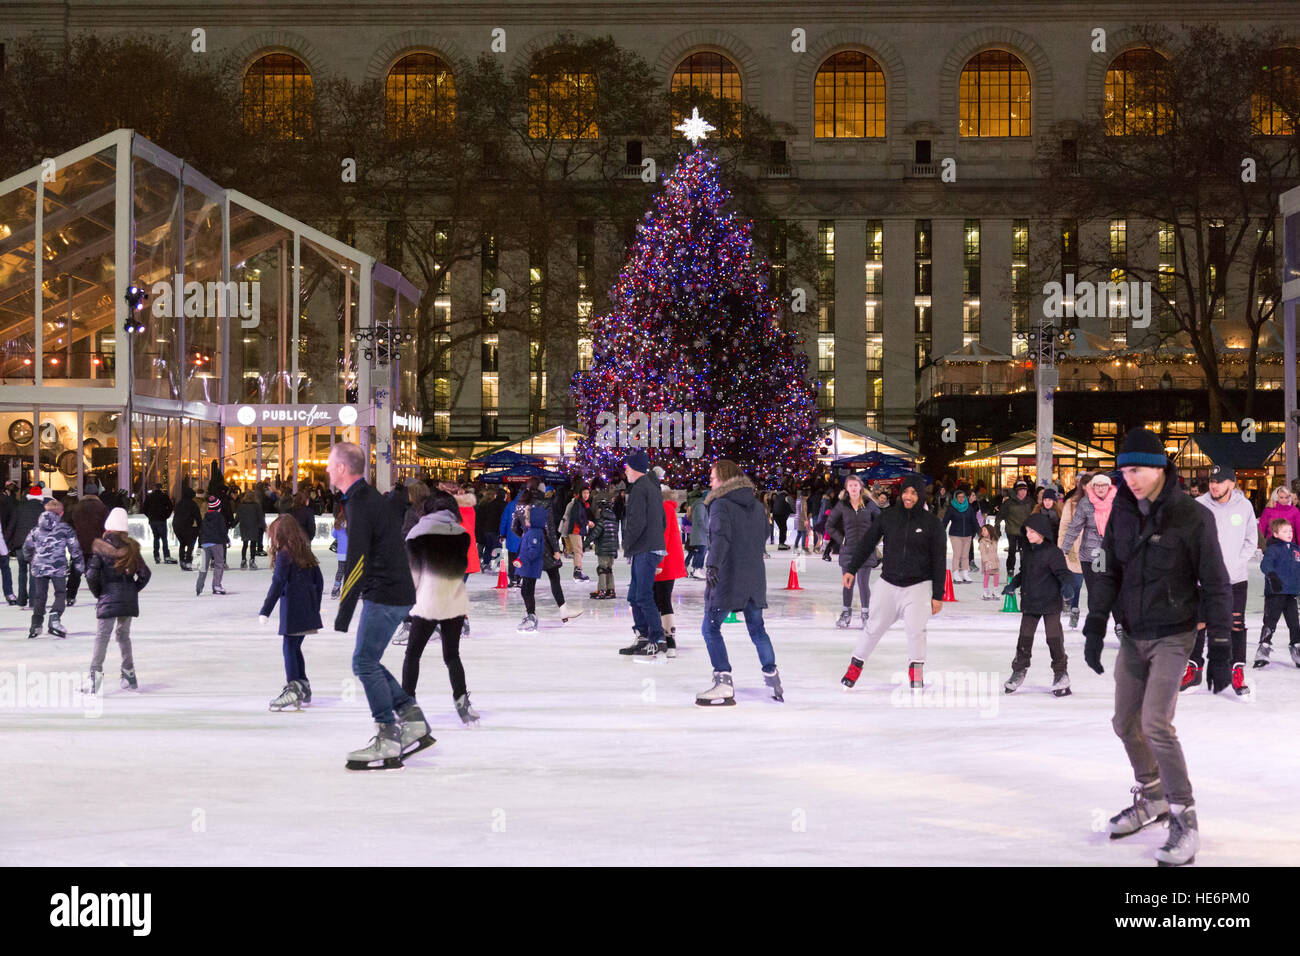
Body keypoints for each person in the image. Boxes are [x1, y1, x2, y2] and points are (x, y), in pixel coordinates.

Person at [1083, 427, 1232, 866]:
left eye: (1139, 469)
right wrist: (1094, 626)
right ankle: (1152, 797)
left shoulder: (1191, 516)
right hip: (1131, 632)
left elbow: (1217, 583)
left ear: (1161, 468)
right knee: (1124, 723)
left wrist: (1221, 645)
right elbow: (1108, 571)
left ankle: (1185, 818)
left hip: (1174, 632)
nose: (1130, 478)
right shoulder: (1122, 513)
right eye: (1125, 469)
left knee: (1155, 723)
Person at [328, 441, 428, 771]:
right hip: (391, 591)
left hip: (386, 593)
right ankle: (411, 720)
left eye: (331, 464)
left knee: (364, 661)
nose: (327, 469)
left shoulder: (361, 502)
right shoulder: (364, 498)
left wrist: (343, 611)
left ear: (343, 468)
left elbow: (357, 558)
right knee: (366, 660)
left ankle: (389, 734)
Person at [839, 473, 946, 691]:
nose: (909, 497)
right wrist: (852, 568)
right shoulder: (888, 516)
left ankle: (916, 674)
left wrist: (938, 595)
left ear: (921, 496)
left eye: (914, 493)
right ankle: (854, 668)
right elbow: (868, 542)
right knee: (873, 627)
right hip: (888, 584)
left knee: (916, 631)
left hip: (918, 586)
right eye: (906, 492)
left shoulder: (932, 524)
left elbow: (939, 561)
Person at [696, 459, 782, 705]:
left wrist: (712, 564)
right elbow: (765, 534)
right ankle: (772, 678)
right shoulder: (756, 506)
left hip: (729, 577)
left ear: (723, 477)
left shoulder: (720, 504)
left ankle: (723, 682)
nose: (710, 481)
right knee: (757, 629)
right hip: (755, 577)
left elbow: (721, 537)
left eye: (712, 477)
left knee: (710, 628)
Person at [403, 492, 479, 725]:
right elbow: (462, 567)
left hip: (428, 600)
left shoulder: (416, 535)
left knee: (413, 654)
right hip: (454, 600)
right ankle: (462, 702)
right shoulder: (462, 534)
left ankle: (408, 705)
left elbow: (413, 573)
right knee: (452, 655)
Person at [1183, 463, 1257, 696]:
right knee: (1199, 623)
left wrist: (1235, 563)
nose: (1214, 486)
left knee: (1235, 624)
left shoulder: (1244, 506)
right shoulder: (1198, 505)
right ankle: (1194, 669)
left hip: (1234, 579)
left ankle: (1236, 671)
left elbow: (1250, 541)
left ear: (1231, 484)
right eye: (1212, 482)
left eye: (1220, 482)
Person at [1002, 513, 1075, 695]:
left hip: (1050, 602)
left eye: (1032, 531)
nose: (1028, 535)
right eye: (1027, 531)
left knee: (1054, 638)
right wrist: (1013, 584)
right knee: (1024, 638)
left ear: (1042, 532)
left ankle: (1061, 673)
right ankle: (1018, 671)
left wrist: (1067, 586)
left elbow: (1064, 574)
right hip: (1030, 601)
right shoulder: (1027, 551)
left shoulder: (1053, 553)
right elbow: (1023, 573)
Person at [259, 514, 324, 712]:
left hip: (294, 609)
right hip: (307, 610)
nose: (272, 539)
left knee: (289, 646)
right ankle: (302, 684)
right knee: (294, 646)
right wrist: (315, 606)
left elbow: (278, 583)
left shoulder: (285, 554)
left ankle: (293, 687)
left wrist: (265, 611)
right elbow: (319, 582)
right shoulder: (305, 552)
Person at [84, 507, 150, 693]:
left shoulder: (101, 548)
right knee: (123, 636)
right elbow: (145, 574)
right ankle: (129, 675)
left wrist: (100, 593)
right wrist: (132, 590)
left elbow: (91, 575)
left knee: (102, 637)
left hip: (108, 596)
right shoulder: (132, 548)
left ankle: (94, 678)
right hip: (127, 599)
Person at [617, 451, 668, 657]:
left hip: (645, 549)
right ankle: (644, 636)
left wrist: (626, 544)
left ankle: (657, 638)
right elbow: (662, 520)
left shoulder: (640, 488)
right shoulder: (651, 488)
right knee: (635, 596)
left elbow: (636, 522)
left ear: (635, 468)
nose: (625, 470)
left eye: (627, 467)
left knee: (643, 596)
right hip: (647, 548)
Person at [1062, 472, 1121, 636]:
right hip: (1091, 554)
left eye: (1104, 485)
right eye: (1098, 485)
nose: (1101, 488)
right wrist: (1064, 549)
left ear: (1108, 487)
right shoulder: (1086, 503)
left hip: (1111, 554)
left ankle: (1120, 624)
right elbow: (1074, 527)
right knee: (1096, 592)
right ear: (1093, 487)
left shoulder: (1117, 503)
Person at [23, 497, 85, 639]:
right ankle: (55, 617)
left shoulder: (36, 530)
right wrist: (79, 564)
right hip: (58, 567)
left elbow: (27, 547)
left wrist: (31, 560)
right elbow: (75, 548)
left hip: (39, 567)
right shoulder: (65, 529)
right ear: (61, 513)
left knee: (40, 596)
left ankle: (36, 624)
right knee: (60, 593)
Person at [826, 473, 881, 628]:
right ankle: (846, 614)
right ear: (847, 488)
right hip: (848, 551)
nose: (853, 488)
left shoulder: (869, 504)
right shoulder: (842, 505)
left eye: (856, 485)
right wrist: (842, 539)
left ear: (861, 487)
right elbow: (829, 525)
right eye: (850, 486)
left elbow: (880, 524)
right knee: (848, 584)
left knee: (863, 583)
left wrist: (873, 541)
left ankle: (865, 615)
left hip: (865, 551)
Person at [1256, 517, 1300, 668]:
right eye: (1284, 531)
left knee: (1294, 623)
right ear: (1275, 534)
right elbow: (1265, 565)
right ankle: (1263, 649)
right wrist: (1272, 576)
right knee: (1270, 622)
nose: (1289, 533)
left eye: (1290, 530)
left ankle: (1297, 648)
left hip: (1291, 593)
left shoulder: (1296, 550)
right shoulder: (1273, 549)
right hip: (1276, 593)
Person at [653, 482, 687, 657]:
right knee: (661, 599)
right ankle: (665, 637)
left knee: (661, 600)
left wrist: (658, 562)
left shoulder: (664, 508)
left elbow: (663, 535)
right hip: (666, 560)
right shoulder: (667, 507)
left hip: (663, 562)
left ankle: (668, 639)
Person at [1056, 473, 1089, 628]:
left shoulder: (1102, 503)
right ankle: (1074, 608)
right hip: (1076, 546)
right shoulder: (1071, 503)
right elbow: (1064, 526)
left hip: (1097, 550)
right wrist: (1062, 548)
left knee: (1098, 584)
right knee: (1076, 581)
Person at [64, 488, 107, 607]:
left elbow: (69, 522)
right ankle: (101, 595)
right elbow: (106, 525)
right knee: (98, 572)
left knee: (75, 571)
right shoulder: (101, 507)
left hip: (79, 544)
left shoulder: (77, 507)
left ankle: (70, 596)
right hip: (97, 544)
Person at [9, 486, 46, 606]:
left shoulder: (19, 508)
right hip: (36, 544)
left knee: (22, 571)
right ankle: (33, 600)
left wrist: (6, 541)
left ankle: (21, 599)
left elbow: (12, 526)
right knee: (34, 572)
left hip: (20, 544)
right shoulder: (42, 510)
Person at [941, 485, 980, 583]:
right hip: (955, 534)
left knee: (965, 555)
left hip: (967, 534)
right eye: (959, 497)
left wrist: (980, 532)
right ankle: (956, 574)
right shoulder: (952, 508)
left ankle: (965, 573)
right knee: (957, 554)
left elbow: (974, 521)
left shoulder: (969, 508)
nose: (961, 499)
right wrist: (940, 532)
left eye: (963, 497)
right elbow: (945, 521)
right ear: (955, 498)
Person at [997, 480, 1033, 579]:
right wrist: (997, 528)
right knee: (1012, 551)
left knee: (1024, 551)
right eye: (1021, 490)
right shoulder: (1009, 502)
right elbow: (1000, 515)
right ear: (1017, 491)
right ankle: (1010, 570)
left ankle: (1023, 570)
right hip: (1012, 530)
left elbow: (1035, 515)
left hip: (1024, 531)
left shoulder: (1030, 501)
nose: (1023, 492)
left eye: (1025, 490)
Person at [195, 495, 230, 596]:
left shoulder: (205, 517)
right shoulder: (219, 517)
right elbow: (222, 530)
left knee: (204, 566)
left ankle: (199, 586)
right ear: (218, 508)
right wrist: (227, 540)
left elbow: (201, 531)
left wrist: (201, 543)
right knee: (219, 564)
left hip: (205, 543)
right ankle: (216, 585)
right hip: (216, 543)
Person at [589, 496, 620, 599]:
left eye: (599, 508)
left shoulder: (602, 521)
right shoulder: (614, 521)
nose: (597, 510)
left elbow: (595, 534)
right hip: (612, 550)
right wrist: (615, 550)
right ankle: (611, 590)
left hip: (603, 550)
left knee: (602, 569)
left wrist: (585, 544)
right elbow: (615, 537)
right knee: (609, 569)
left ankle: (602, 590)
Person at [141, 483, 175, 565]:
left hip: (153, 520)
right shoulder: (164, 496)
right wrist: (166, 516)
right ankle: (166, 556)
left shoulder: (149, 496)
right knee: (164, 538)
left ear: (154, 488)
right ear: (161, 488)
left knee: (156, 538)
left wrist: (149, 516)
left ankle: (156, 556)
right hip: (161, 519)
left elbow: (144, 508)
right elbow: (170, 507)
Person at [172, 485, 201, 571]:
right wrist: (200, 527)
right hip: (187, 526)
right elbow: (198, 517)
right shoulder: (192, 504)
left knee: (182, 543)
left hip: (177, 526)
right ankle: (188, 561)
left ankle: (182, 561)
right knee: (190, 544)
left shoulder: (179, 503)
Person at [475, 488, 505, 572]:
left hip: (485, 530)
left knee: (488, 547)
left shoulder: (483, 504)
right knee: (497, 547)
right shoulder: (499, 505)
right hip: (494, 529)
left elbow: (481, 519)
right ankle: (498, 564)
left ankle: (486, 563)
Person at [237, 488, 266, 571]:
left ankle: (243, 560)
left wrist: (232, 524)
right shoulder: (256, 506)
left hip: (244, 527)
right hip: (254, 527)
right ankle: (252, 560)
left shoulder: (241, 505)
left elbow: (238, 517)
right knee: (253, 545)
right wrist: (264, 527)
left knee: (245, 544)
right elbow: (261, 517)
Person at [499, 487, 522, 588]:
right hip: (523, 538)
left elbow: (504, 520)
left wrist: (502, 534)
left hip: (512, 536)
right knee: (521, 558)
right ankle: (519, 578)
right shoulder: (528, 506)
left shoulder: (510, 505)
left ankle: (512, 579)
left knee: (512, 558)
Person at [977, 522, 1000, 599]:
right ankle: (986, 591)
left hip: (995, 561)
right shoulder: (982, 542)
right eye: (982, 530)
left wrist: (997, 560)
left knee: (996, 575)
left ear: (990, 531)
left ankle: (995, 590)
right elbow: (983, 553)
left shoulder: (995, 540)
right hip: (987, 562)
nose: (982, 532)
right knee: (987, 576)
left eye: (985, 530)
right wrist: (986, 562)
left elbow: (995, 551)